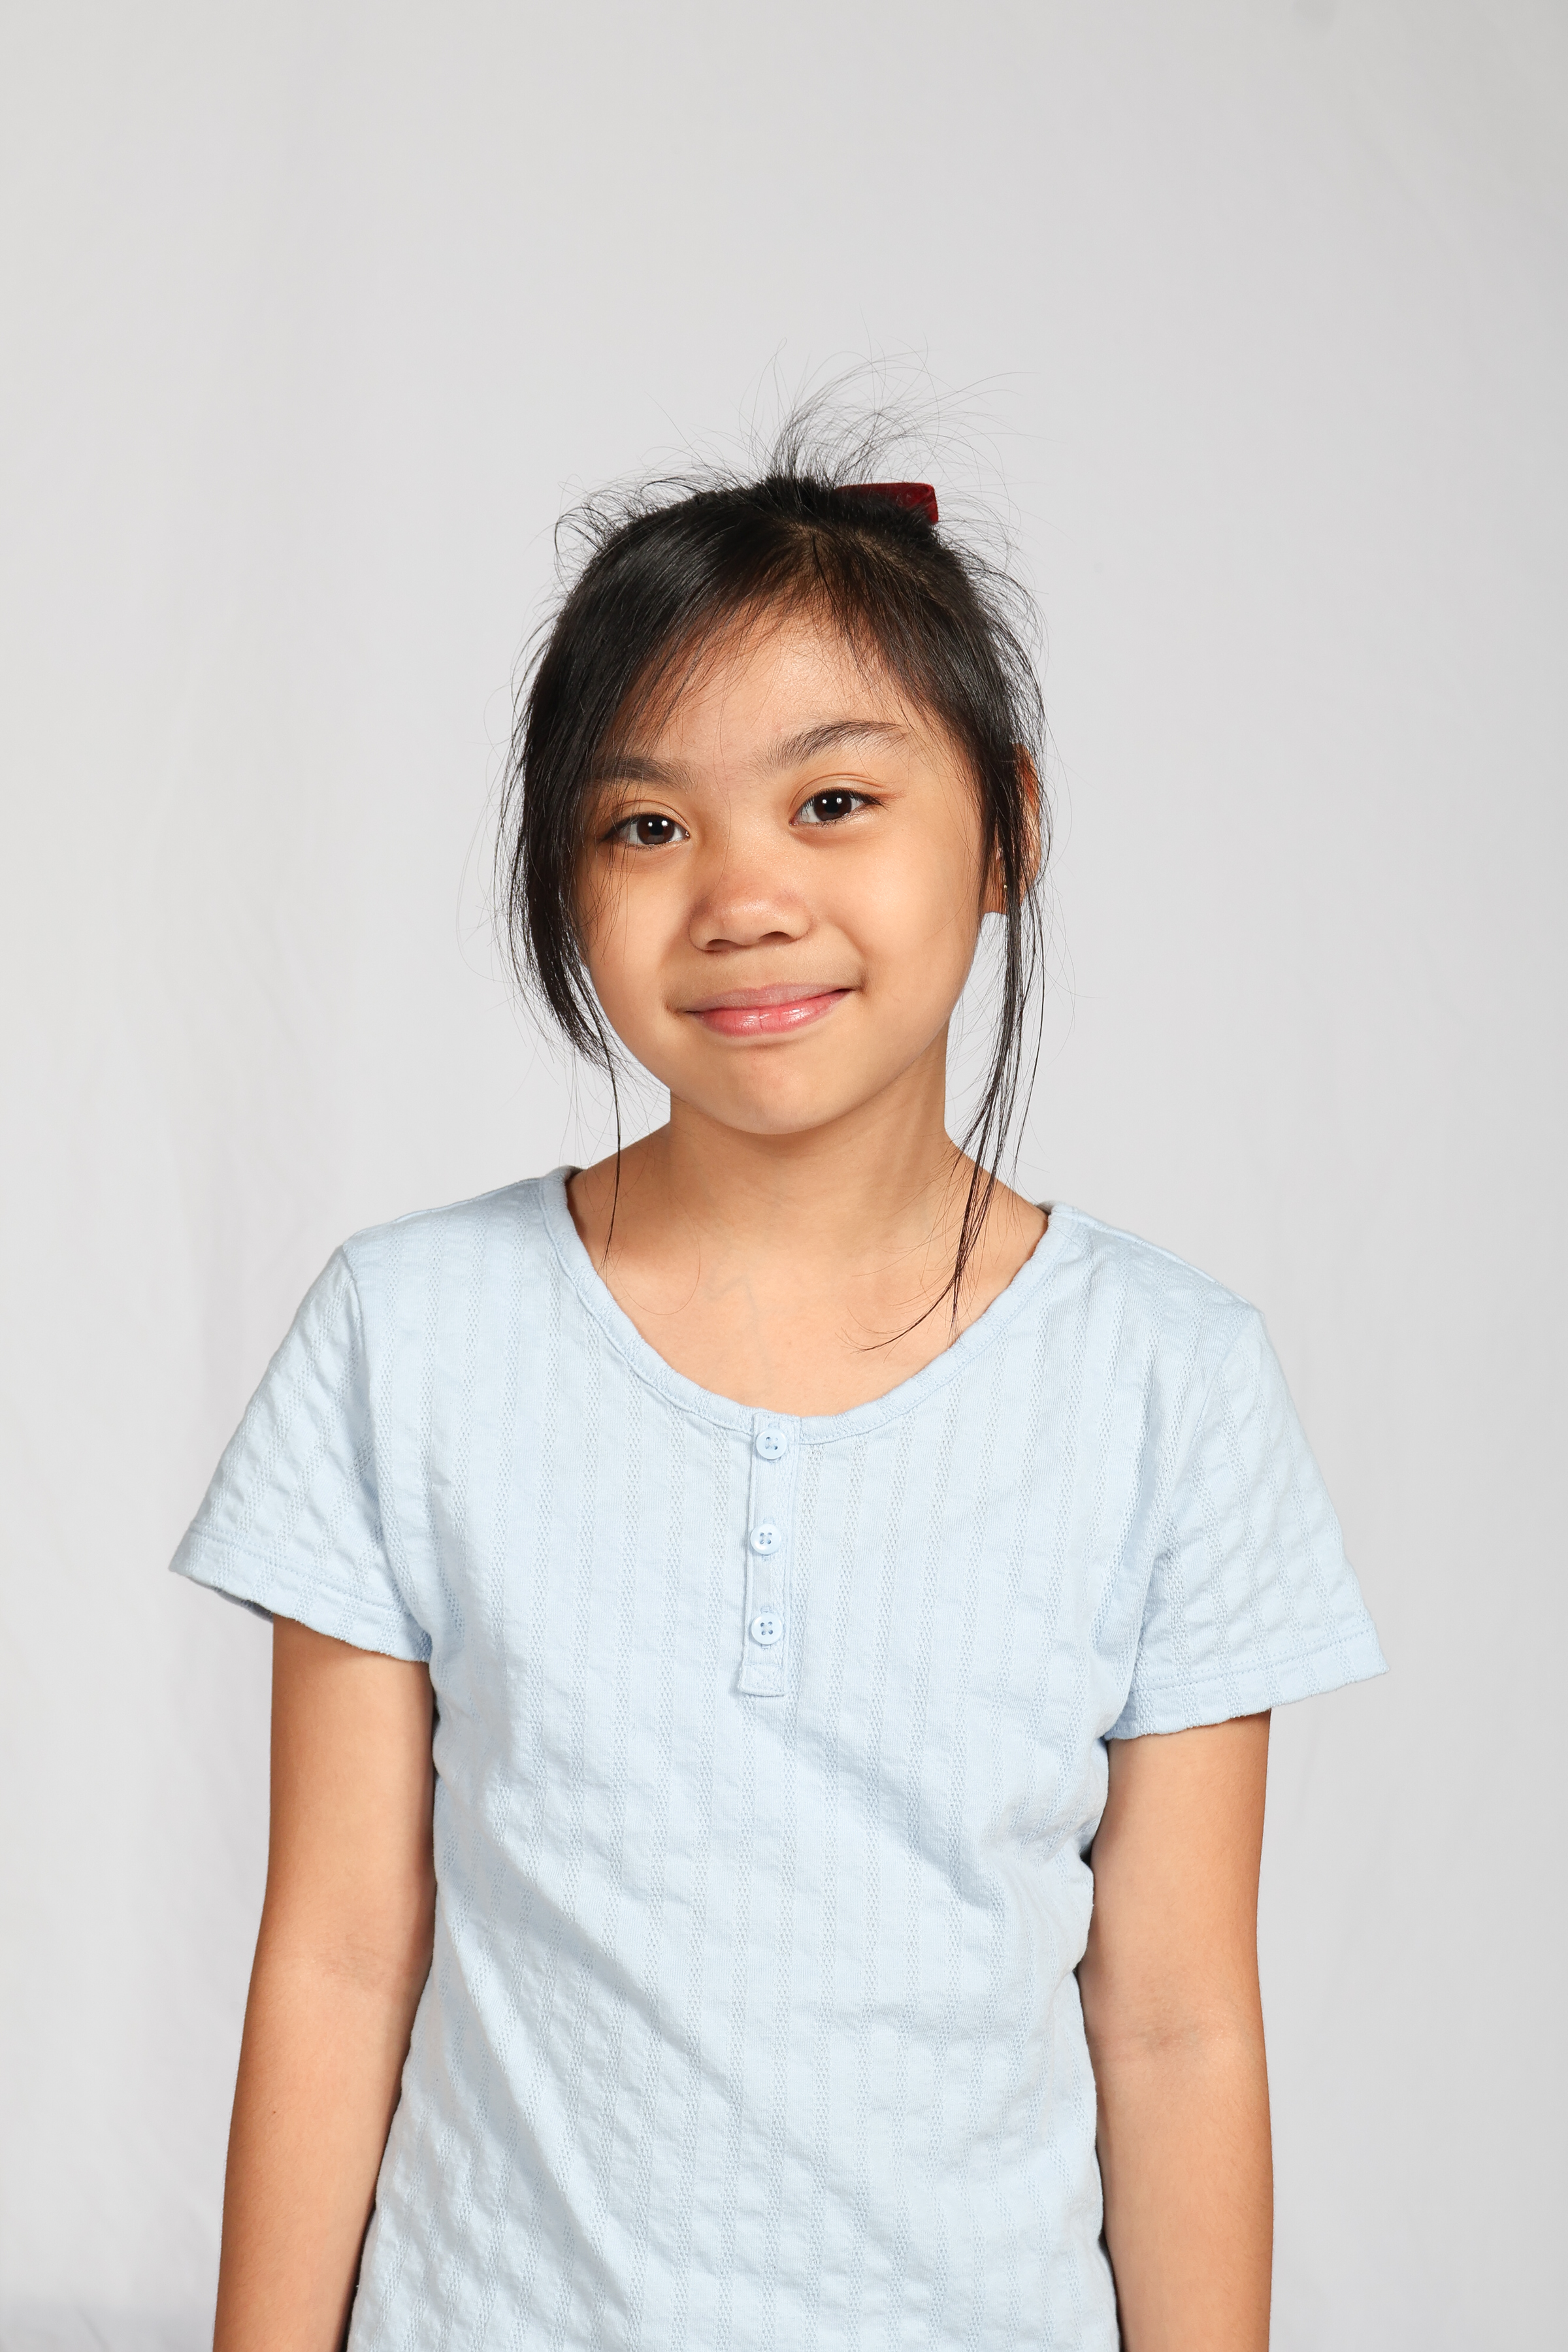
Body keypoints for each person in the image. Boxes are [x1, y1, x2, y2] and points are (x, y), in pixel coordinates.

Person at [172, 438, 1385, 2352]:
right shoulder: (408, 1334)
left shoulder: (1171, 1379)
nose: (742, 895)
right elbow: (334, 1959)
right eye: (646, 824)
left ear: (1009, 830)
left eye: (832, 801)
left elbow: (1173, 2024)